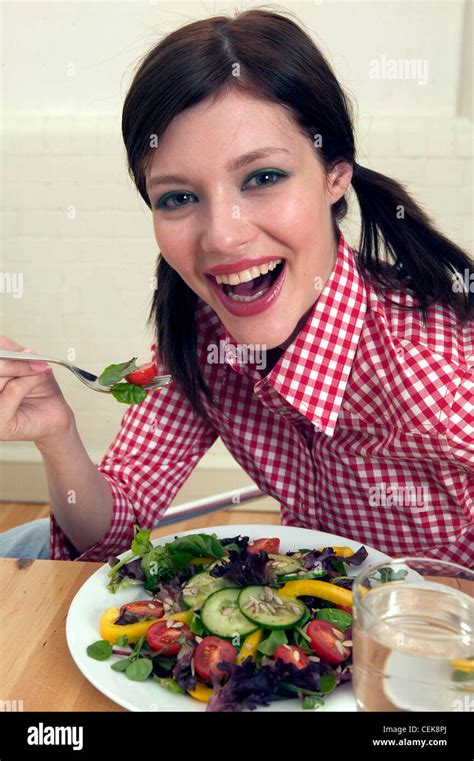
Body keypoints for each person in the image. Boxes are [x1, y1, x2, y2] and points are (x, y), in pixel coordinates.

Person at [0, 9, 472, 564]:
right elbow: (115, 533)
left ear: (335, 176)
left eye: (263, 178)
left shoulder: (441, 375)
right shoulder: (204, 339)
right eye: (178, 197)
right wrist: (57, 434)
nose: (222, 237)